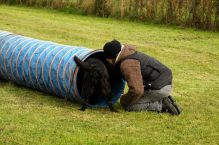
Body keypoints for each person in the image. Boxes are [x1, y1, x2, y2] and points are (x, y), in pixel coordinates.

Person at [103, 40, 182, 115]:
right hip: (163, 79)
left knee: (129, 106)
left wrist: (124, 99)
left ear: (114, 56)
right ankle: (162, 97)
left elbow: (137, 90)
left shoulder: (127, 64)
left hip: (159, 87)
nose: (107, 60)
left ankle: (162, 106)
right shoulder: (128, 52)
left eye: (108, 58)